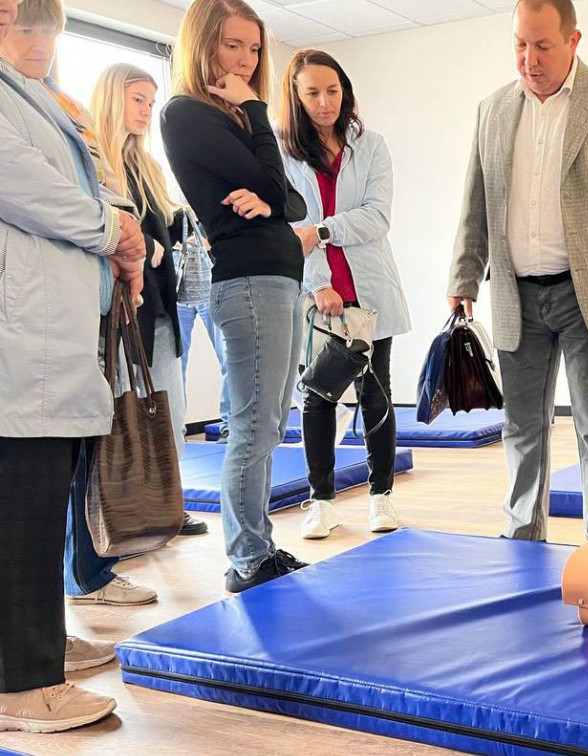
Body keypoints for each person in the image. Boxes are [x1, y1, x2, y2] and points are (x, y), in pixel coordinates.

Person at [448, 0, 588, 541]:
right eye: (520, 46)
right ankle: (522, 536)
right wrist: (462, 276)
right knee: (522, 426)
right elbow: (475, 200)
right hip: (515, 294)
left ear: (574, 42)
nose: (529, 59)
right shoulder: (492, 109)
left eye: (542, 45)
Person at [0, 0, 147, 730]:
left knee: (41, 494)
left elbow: (89, 184)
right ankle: (20, 684)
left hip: (54, 329)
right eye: (31, 23)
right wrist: (112, 231)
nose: (43, 39)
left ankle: (36, 645)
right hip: (21, 337)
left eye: (49, 25)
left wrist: (123, 232)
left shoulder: (40, 98)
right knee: (21, 503)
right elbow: (26, 187)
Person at [161, 0, 308, 592]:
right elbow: (277, 184)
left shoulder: (237, 121)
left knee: (270, 422)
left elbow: (291, 201)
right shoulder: (188, 113)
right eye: (232, 46)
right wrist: (255, 110)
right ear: (204, 46)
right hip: (248, 282)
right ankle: (248, 556)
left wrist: (271, 198)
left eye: (253, 49)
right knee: (252, 425)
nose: (246, 61)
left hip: (277, 278)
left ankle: (259, 548)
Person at [277, 49, 411, 539]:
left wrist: (323, 231)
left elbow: (378, 216)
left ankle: (382, 497)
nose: (324, 101)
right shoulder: (282, 152)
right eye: (312, 92)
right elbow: (290, 228)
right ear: (295, 96)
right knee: (317, 396)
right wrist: (319, 284)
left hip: (371, 293)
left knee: (377, 394)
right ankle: (322, 501)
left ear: (345, 91)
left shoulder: (370, 145)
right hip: (319, 299)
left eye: (332, 90)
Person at [90, 62, 209, 537]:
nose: (145, 111)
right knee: (119, 416)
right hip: (118, 311)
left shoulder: (148, 165)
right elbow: (119, 232)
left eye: (150, 102)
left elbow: (161, 229)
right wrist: (153, 245)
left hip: (160, 308)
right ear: (112, 98)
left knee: (170, 413)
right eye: (137, 100)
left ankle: (168, 508)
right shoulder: (95, 158)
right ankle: (120, 513)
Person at [175, 211, 232, 443]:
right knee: (175, 366)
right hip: (177, 291)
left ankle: (230, 426)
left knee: (229, 359)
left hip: (213, 288)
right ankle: (174, 430)